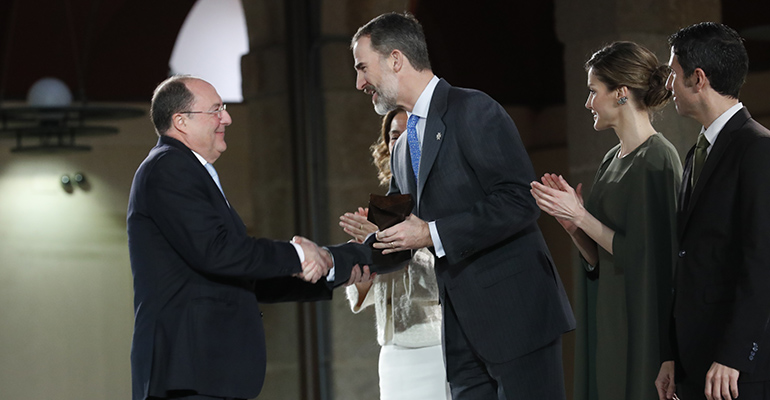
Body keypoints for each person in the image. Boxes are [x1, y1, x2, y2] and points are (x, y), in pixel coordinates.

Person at [350, 12, 575, 399]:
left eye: (362, 68)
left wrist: (431, 233)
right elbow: (395, 232)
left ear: (396, 59)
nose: (359, 83)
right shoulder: (403, 147)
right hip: (458, 332)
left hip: (516, 316)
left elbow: (519, 200)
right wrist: (332, 260)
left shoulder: (474, 109)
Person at [127, 75, 370, 400]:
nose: (226, 118)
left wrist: (332, 268)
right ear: (180, 121)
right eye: (215, 110)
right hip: (188, 372)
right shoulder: (168, 168)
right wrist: (299, 255)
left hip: (208, 372)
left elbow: (240, 274)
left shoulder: (189, 171)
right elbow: (218, 252)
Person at [530, 41, 682, 400]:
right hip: (609, 317)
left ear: (621, 93)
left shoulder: (659, 159)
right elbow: (602, 255)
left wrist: (582, 215)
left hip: (642, 326)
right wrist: (575, 227)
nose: (587, 103)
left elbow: (652, 259)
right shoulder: (612, 158)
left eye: (593, 91)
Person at [654, 22, 770, 400]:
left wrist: (735, 355)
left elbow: (762, 261)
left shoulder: (758, 149)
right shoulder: (696, 153)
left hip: (736, 371)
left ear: (698, 78)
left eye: (673, 73)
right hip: (694, 362)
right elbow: (687, 260)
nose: (669, 85)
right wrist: (671, 355)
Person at [340, 108, 450, 400]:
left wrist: (387, 240)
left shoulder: (441, 199)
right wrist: (365, 258)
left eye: (406, 134)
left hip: (433, 344)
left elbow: (443, 273)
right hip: (391, 350)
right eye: (392, 136)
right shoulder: (385, 204)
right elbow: (375, 291)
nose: (398, 142)